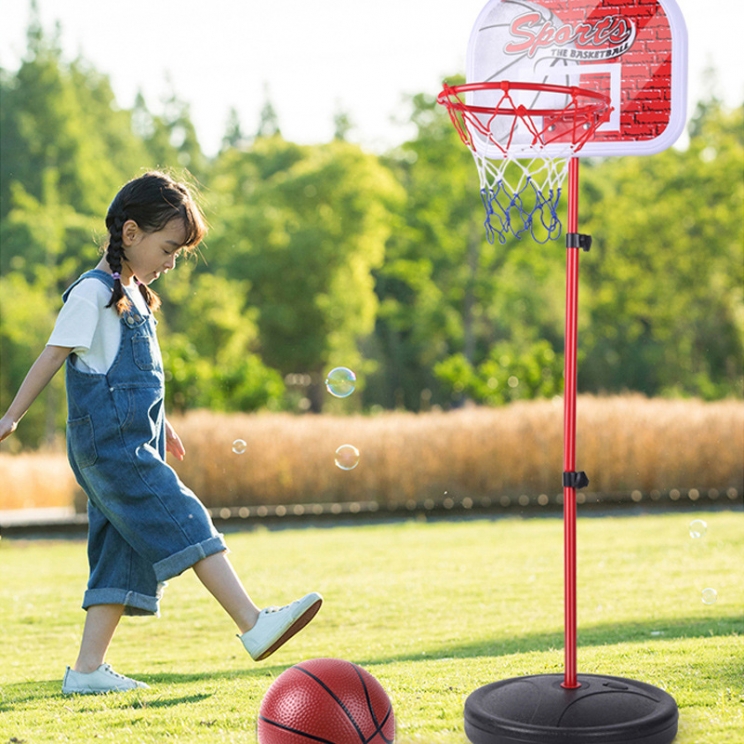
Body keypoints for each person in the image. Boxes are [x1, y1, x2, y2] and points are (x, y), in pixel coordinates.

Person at [0, 171, 322, 695]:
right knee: (184, 512)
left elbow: (126, 374)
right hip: (111, 448)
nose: (172, 262)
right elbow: (53, 356)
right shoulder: (93, 293)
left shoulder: (135, 295)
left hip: (134, 441)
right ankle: (252, 623)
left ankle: (85, 672)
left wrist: (162, 422)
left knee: (118, 551)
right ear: (130, 234)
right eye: (169, 248)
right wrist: (11, 416)